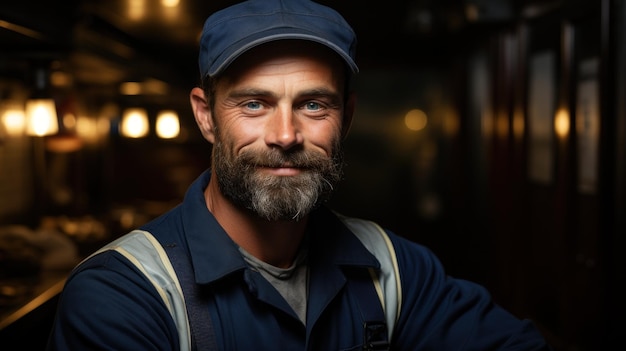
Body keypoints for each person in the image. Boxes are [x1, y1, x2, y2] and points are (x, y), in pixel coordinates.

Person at [47, 0, 553, 350]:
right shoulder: (125, 293)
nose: (285, 134)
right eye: (253, 103)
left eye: (313, 104)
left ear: (346, 119)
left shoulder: (392, 267)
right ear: (205, 116)